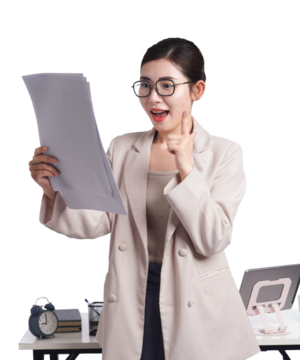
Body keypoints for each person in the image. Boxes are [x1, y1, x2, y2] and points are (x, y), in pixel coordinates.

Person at [28, 36, 259, 360]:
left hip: (197, 309)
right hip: (133, 298)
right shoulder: (123, 147)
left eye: (166, 86)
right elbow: (97, 222)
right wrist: (53, 190)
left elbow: (213, 239)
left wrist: (186, 170)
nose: (153, 98)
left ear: (197, 91)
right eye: (145, 86)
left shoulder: (225, 152)